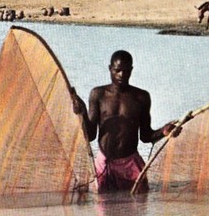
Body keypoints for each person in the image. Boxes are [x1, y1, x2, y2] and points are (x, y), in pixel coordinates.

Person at [71, 50, 178, 193]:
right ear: (110, 69)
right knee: (103, 207)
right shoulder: (98, 94)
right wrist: (82, 113)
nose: (122, 75)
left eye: (126, 71)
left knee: (137, 207)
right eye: (117, 70)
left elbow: (146, 137)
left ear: (132, 70)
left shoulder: (141, 97)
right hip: (105, 163)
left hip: (131, 164)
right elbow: (90, 135)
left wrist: (164, 131)